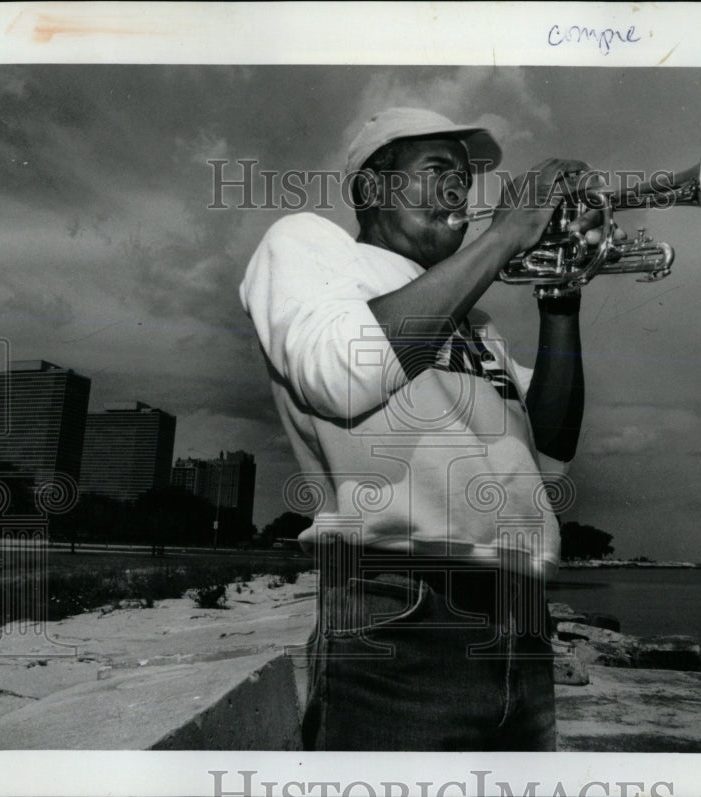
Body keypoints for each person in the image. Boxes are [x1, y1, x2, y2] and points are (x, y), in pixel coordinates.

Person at [239, 107, 605, 751]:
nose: (459, 192)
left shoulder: (475, 319)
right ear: (371, 189)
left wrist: (561, 301)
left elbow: (548, 455)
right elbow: (342, 373)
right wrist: (505, 236)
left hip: (521, 625)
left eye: (465, 179)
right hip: (403, 617)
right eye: (438, 170)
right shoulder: (308, 246)